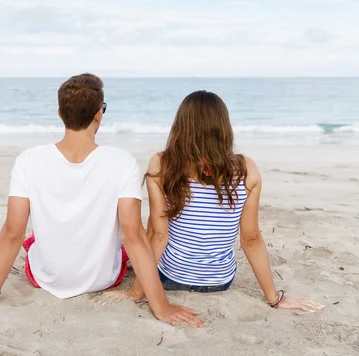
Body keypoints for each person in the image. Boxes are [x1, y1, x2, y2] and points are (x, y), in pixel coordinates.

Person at [0, 73, 203, 327]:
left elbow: (13, 231)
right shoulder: (122, 162)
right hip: (104, 279)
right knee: (126, 242)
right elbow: (133, 235)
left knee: (31, 240)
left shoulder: (28, 160)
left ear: (60, 113)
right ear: (98, 114)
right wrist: (162, 307)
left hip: (45, 279)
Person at [112, 90, 324, 313]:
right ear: (224, 128)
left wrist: (136, 292)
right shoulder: (247, 170)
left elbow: (159, 235)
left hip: (170, 277)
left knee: (147, 234)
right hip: (220, 281)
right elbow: (250, 239)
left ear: (180, 126)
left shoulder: (162, 164)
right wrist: (275, 298)